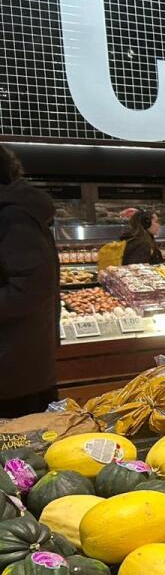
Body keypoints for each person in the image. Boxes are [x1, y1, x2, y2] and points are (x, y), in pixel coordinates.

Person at [0, 145, 59, 418]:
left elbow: (30, 289)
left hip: (15, 372)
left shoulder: (13, 216)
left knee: (20, 451)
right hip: (19, 366)